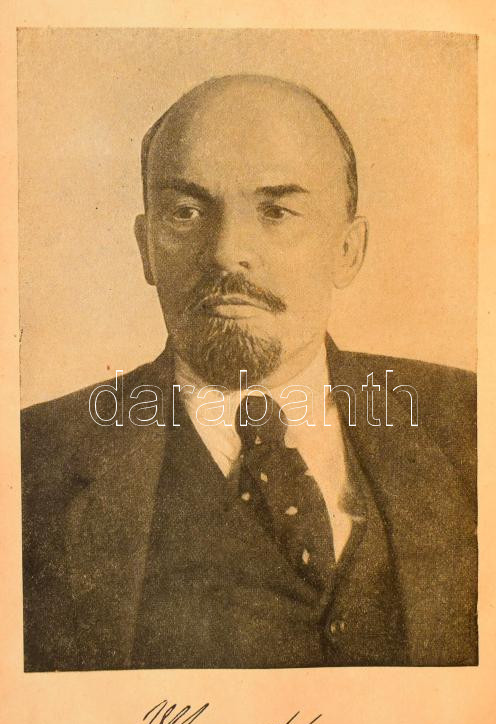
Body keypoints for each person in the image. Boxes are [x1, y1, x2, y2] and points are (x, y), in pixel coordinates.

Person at [21, 74, 477, 671]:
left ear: (348, 249)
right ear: (146, 247)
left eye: (277, 211)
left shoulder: (469, 419)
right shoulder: (32, 459)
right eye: (186, 212)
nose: (226, 251)